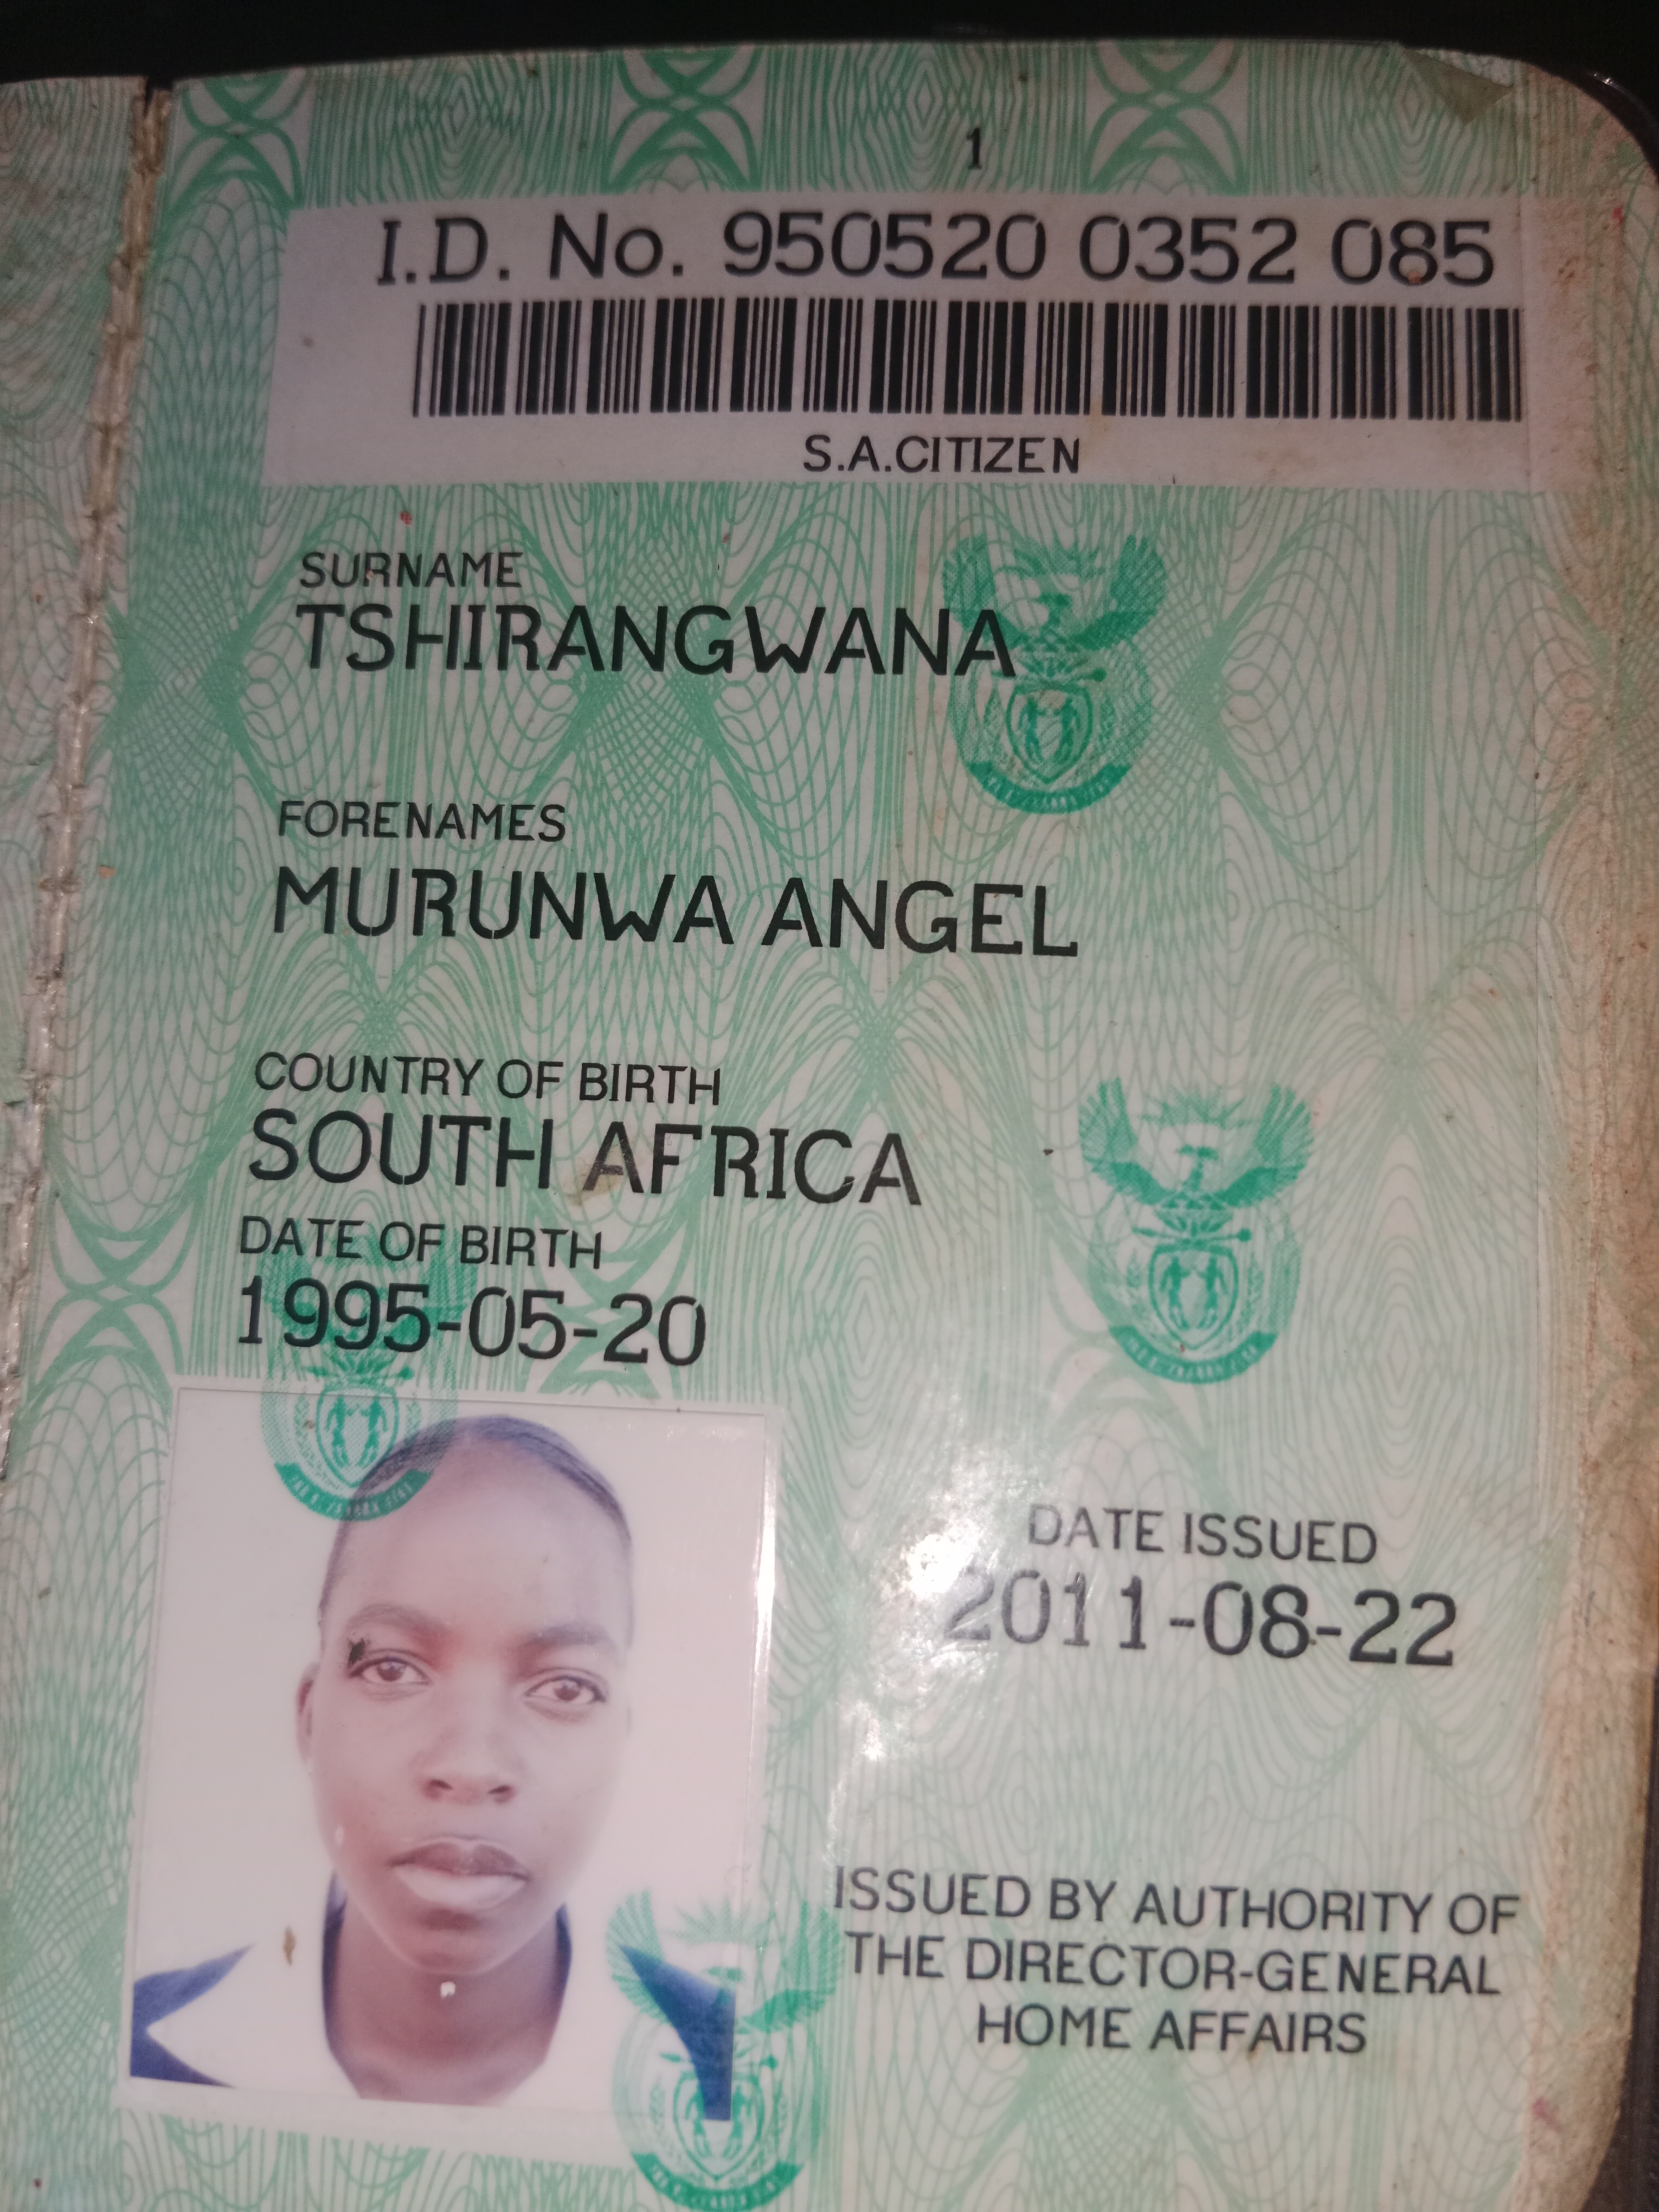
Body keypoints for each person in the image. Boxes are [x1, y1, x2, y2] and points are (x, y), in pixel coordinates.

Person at [130, 1414, 634, 2107]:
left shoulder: (739, 2070)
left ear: (621, 1738)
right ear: (310, 1718)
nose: (470, 1765)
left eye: (566, 1688)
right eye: (392, 1669)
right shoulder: (127, 2046)